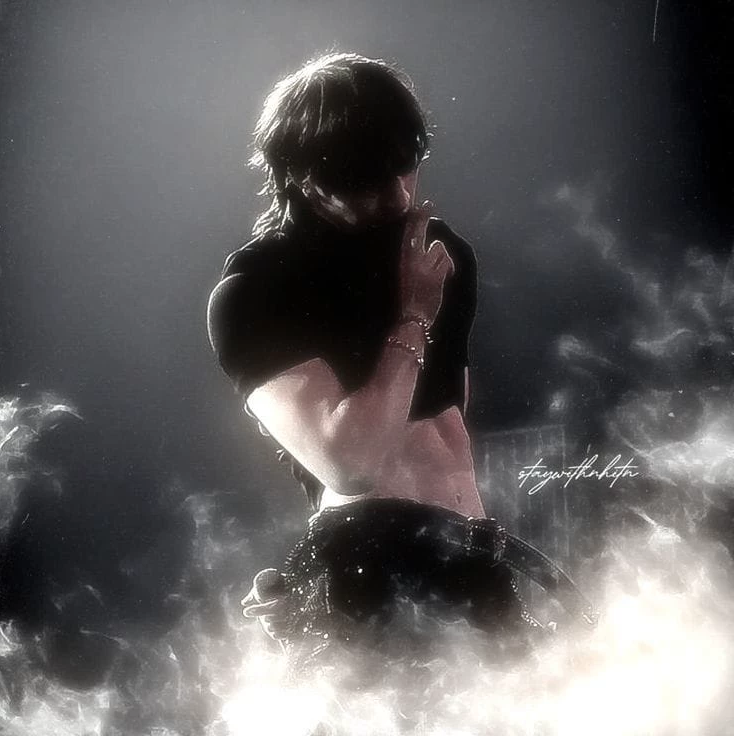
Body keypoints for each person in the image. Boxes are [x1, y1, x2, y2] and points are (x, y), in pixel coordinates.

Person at [207, 53, 592, 675]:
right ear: (303, 175)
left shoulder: (441, 257)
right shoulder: (254, 294)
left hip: (472, 553)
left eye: (406, 163)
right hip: (369, 569)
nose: (398, 194)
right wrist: (413, 316)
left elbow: (448, 430)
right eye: (365, 178)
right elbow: (352, 464)